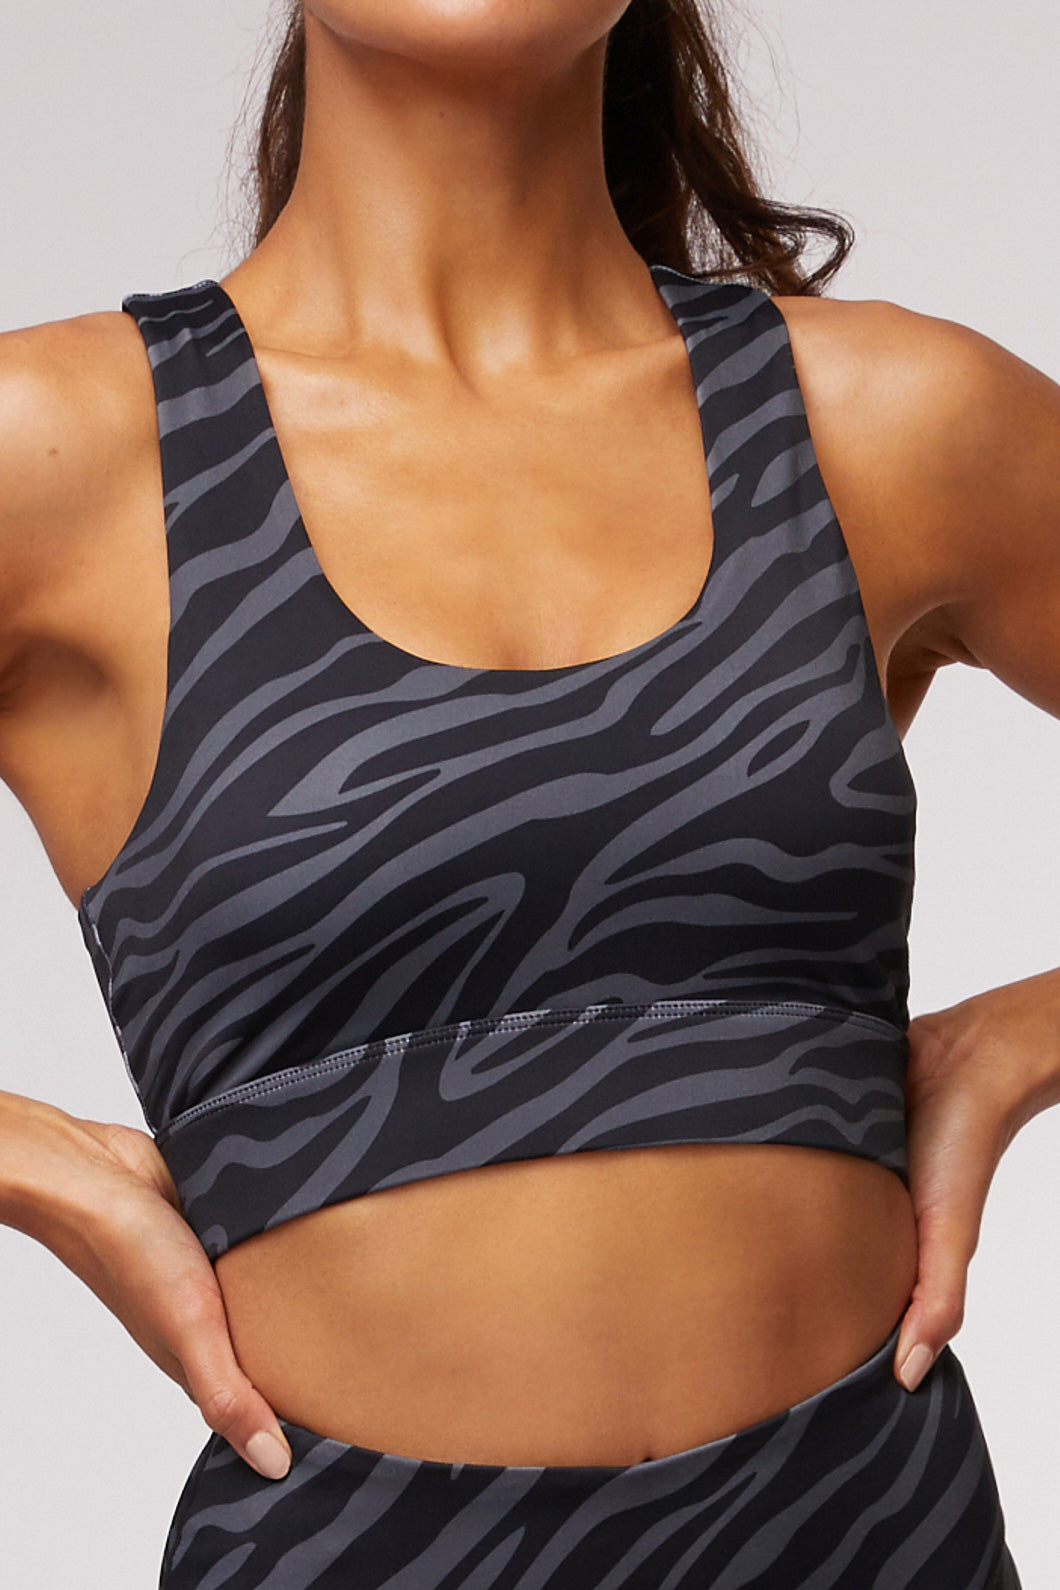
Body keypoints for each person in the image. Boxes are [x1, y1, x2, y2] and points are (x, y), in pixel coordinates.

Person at [0, 3, 1056, 1585]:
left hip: (875, 1538)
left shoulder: (891, 421)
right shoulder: (62, 457)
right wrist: (29, 1159)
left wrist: (1020, 1037)